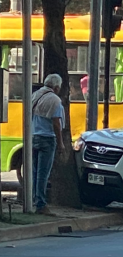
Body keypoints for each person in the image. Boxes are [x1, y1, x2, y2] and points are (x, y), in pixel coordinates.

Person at [32, 74, 65, 216]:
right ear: (56, 87)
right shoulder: (54, 100)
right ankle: (41, 204)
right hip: (47, 139)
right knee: (43, 173)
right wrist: (61, 143)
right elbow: (56, 124)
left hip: (34, 137)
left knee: (34, 172)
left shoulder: (35, 95)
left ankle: (33, 199)